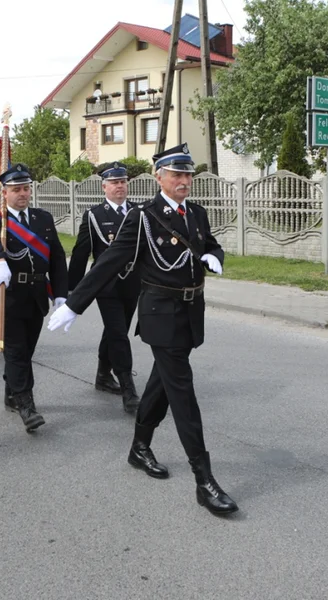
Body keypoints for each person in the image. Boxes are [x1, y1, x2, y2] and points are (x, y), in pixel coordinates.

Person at [48, 144, 238, 515]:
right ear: (159, 178)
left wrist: (215, 255)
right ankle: (204, 479)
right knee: (182, 391)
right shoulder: (144, 217)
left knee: (162, 384)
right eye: (177, 175)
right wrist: (73, 302)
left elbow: (208, 244)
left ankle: (139, 448)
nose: (184, 181)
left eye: (188, 175)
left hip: (189, 312)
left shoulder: (196, 213)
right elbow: (108, 262)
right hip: (159, 315)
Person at [0, 163, 68, 433]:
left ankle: (11, 391)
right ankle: (26, 404)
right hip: (9, 294)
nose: (22, 194)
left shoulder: (42, 218)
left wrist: (62, 293)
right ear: (4, 193)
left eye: (26, 189)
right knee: (17, 351)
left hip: (36, 295)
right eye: (16, 189)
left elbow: (57, 257)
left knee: (26, 349)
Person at [68, 162, 141, 413]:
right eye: (114, 182)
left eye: (123, 182)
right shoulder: (94, 215)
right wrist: (71, 291)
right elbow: (80, 254)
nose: (119, 186)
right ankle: (128, 388)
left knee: (115, 331)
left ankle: (102, 374)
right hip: (106, 287)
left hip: (132, 283)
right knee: (119, 334)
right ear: (104, 187)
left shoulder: (138, 212)